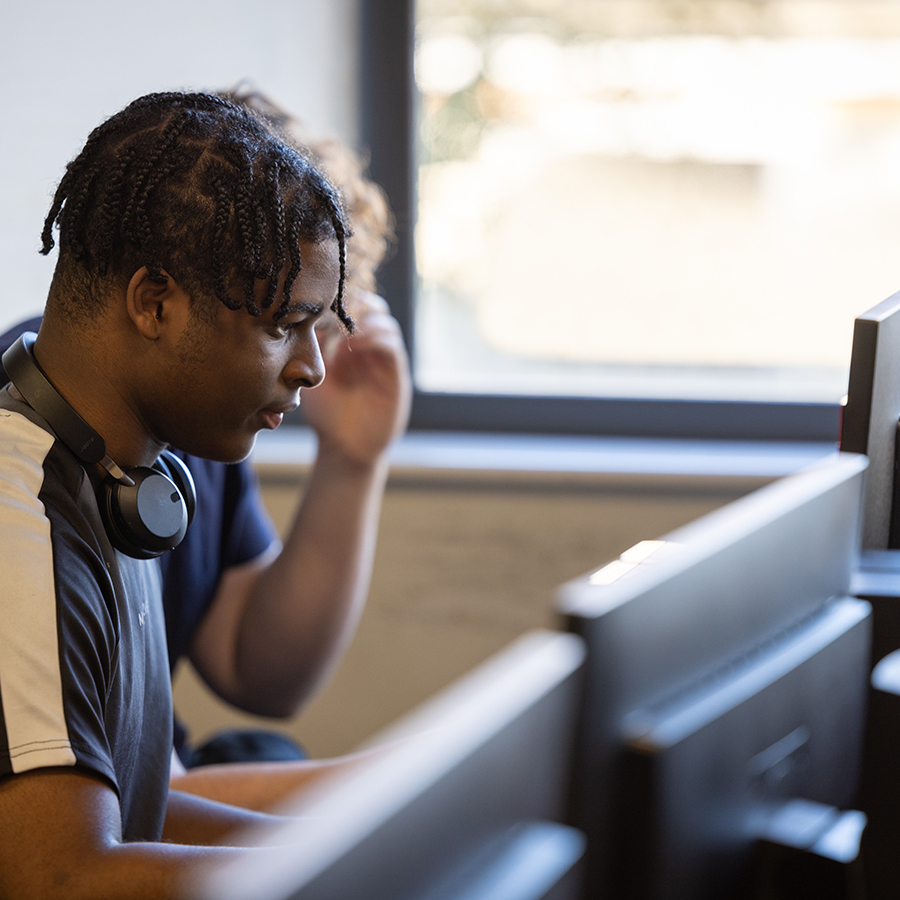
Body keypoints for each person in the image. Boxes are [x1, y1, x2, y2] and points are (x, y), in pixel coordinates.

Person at [0, 90, 407, 896]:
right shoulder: (21, 514)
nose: (313, 367)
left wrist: (385, 836)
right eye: (283, 326)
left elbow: (145, 810)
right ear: (155, 304)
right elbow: (59, 875)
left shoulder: (125, 474)